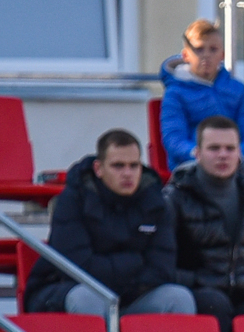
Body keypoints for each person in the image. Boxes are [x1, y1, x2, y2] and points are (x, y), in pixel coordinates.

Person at [24, 128, 195, 317]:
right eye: (118, 166)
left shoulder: (156, 202)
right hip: (63, 291)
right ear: (99, 169)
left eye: (134, 166)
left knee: (179, 298)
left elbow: (162, 269)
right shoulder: (72, 201)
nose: (127, 173)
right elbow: (77, 269)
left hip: (131, 297)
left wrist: (122, 276)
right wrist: (135, 262)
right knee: (87, 297)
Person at [164, 116, 244, 332]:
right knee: (215, 303)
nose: (223, 155)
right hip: (198, 293)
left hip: (242, 293)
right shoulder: (175, 198)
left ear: (239, 153)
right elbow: (161, 262)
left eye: (230, 148)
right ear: (197, 153)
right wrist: (201, 280)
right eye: (214, 148)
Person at [158, 18, 244, 205]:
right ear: (186, 55)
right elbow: (173, 140)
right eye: (199, 49)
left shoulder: (237, 89)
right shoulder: (174, 94)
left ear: (222, 55)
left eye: (213, 49)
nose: (206, 56)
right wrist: (202, 155)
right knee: (190, 173)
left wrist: (239, 156)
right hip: (195, 163)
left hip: (236, 162)